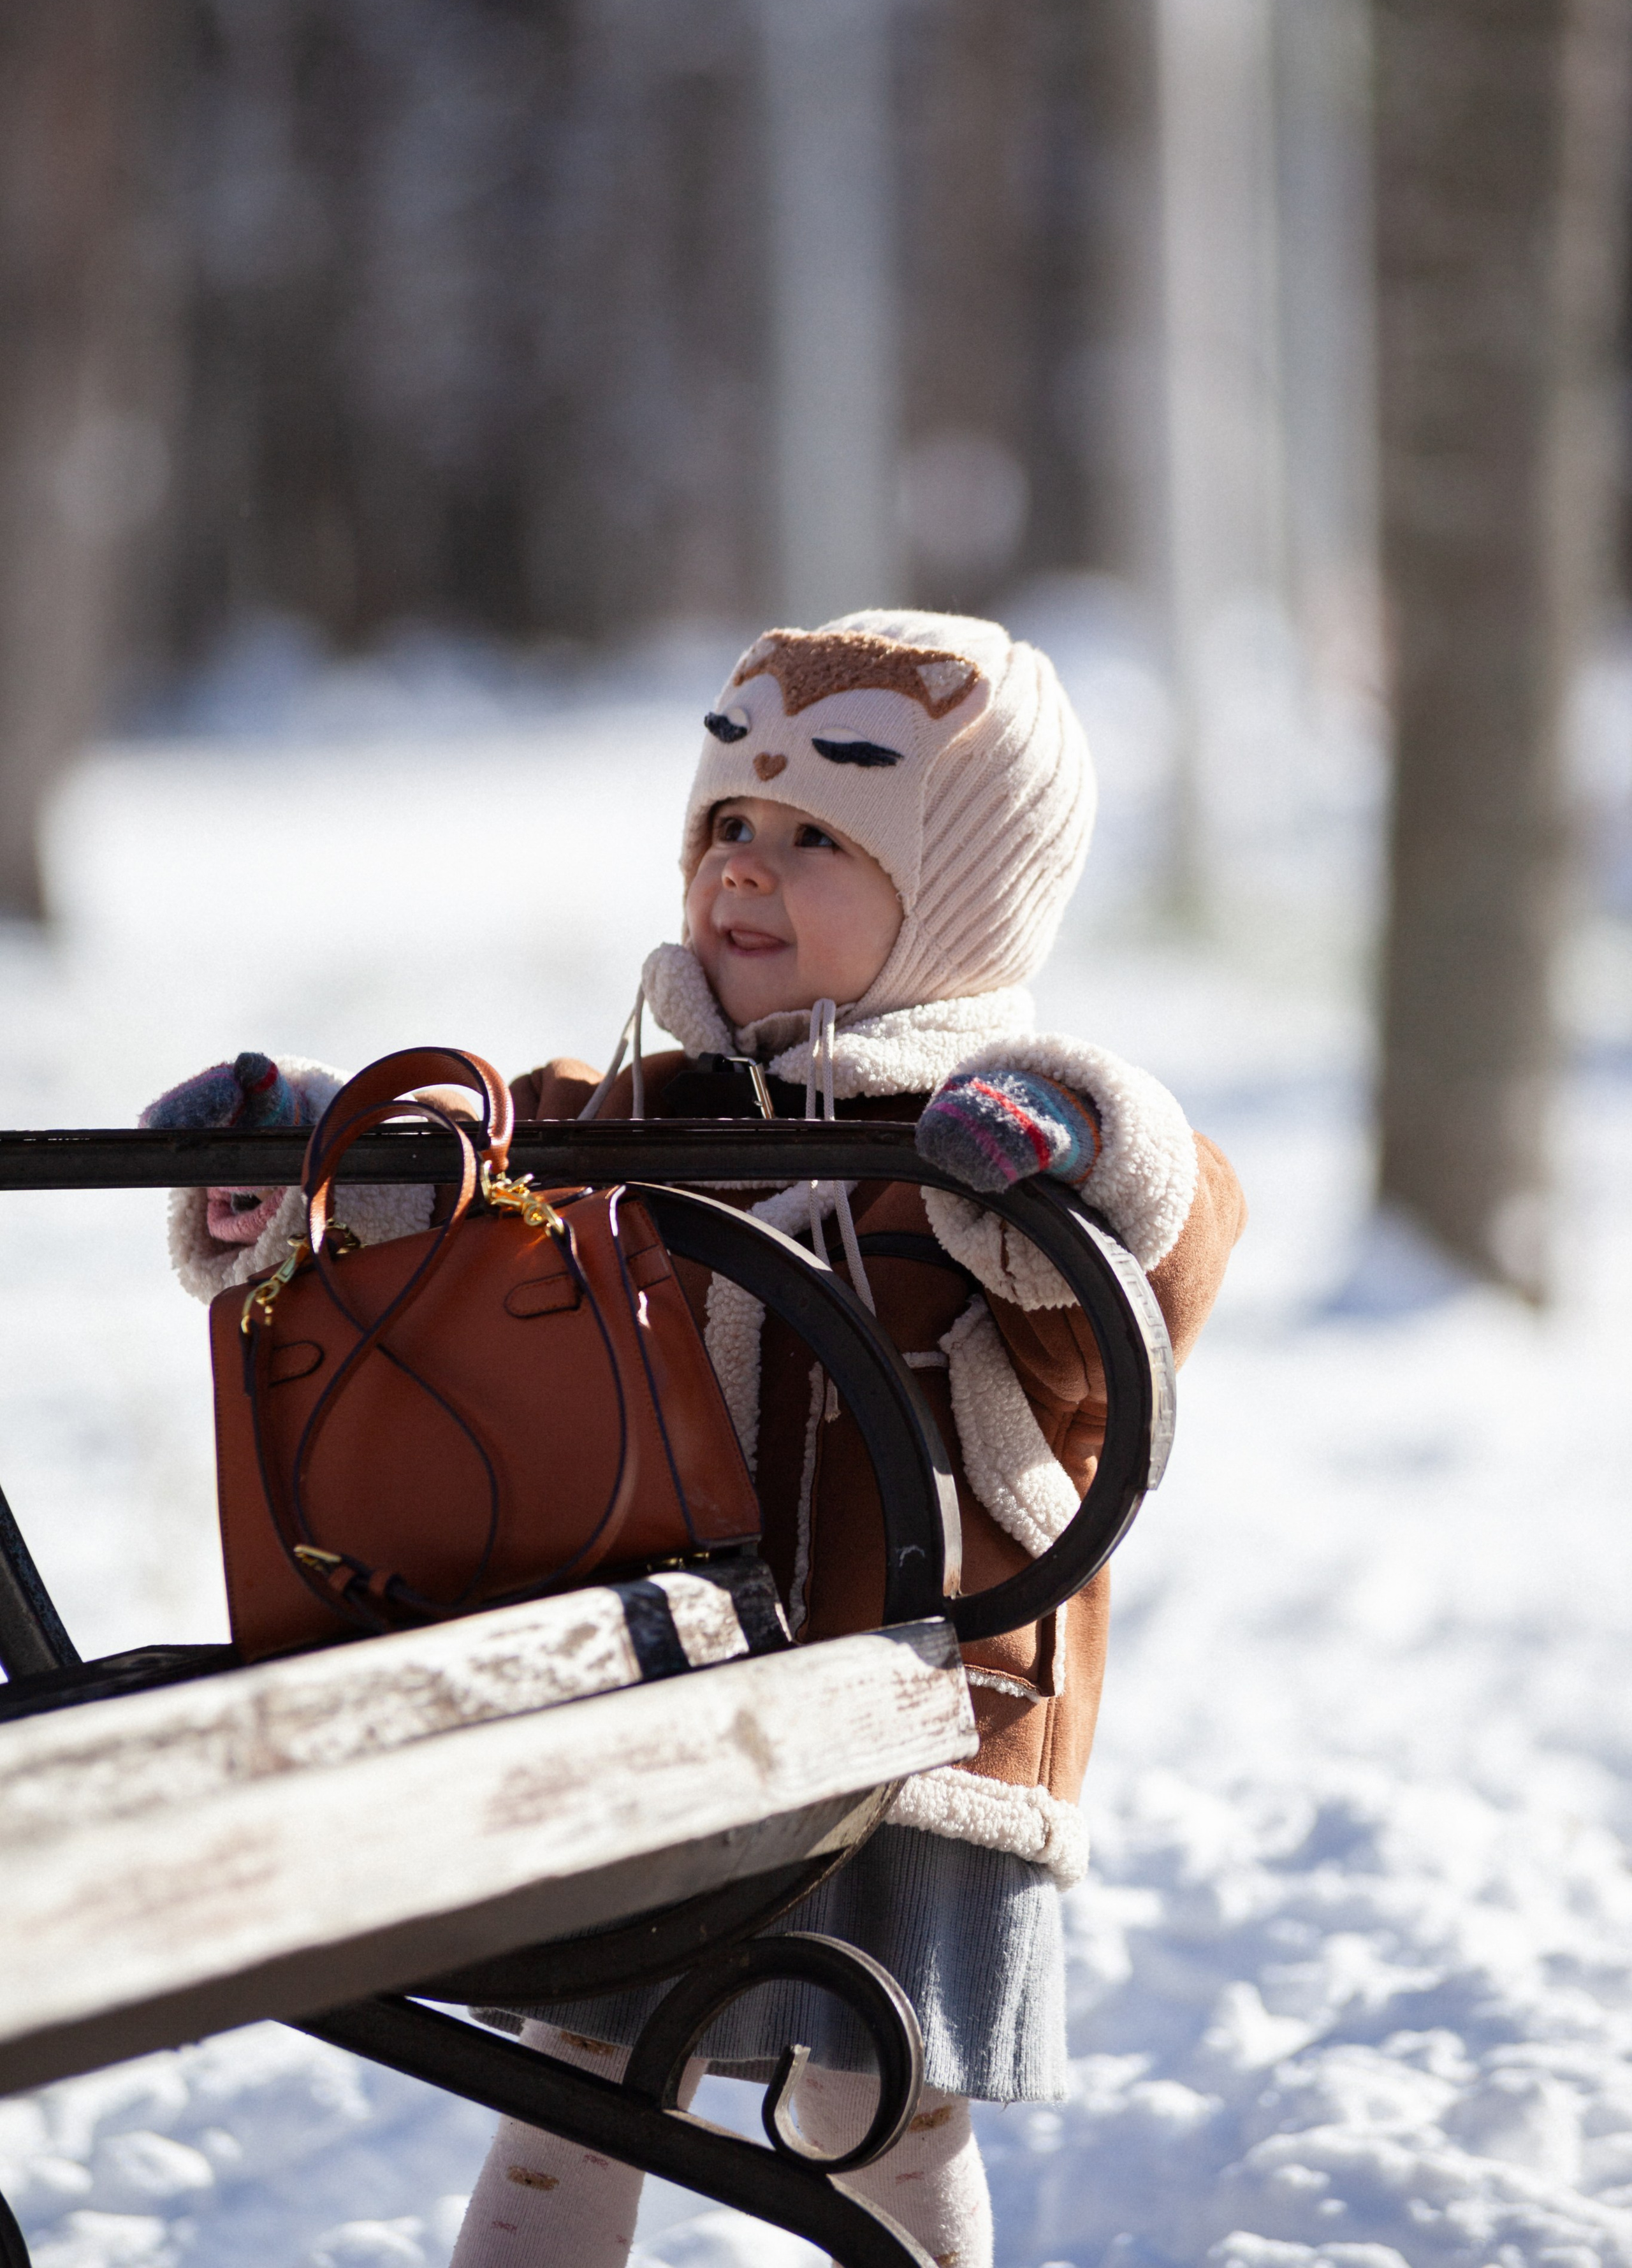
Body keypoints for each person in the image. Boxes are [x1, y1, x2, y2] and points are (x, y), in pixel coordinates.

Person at [145, 610, 1246, 2268]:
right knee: (581, 2071)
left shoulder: (975, 1137)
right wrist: (313, 1157)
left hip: (914, 1706)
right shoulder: (629, 1113)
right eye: (729, 819)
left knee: (873, 2086)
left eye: (820, 837)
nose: (744, 864)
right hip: (647, 1687)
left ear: (959, 894)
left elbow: (1161, 1254)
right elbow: (460, 1176)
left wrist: (1077, 1139)